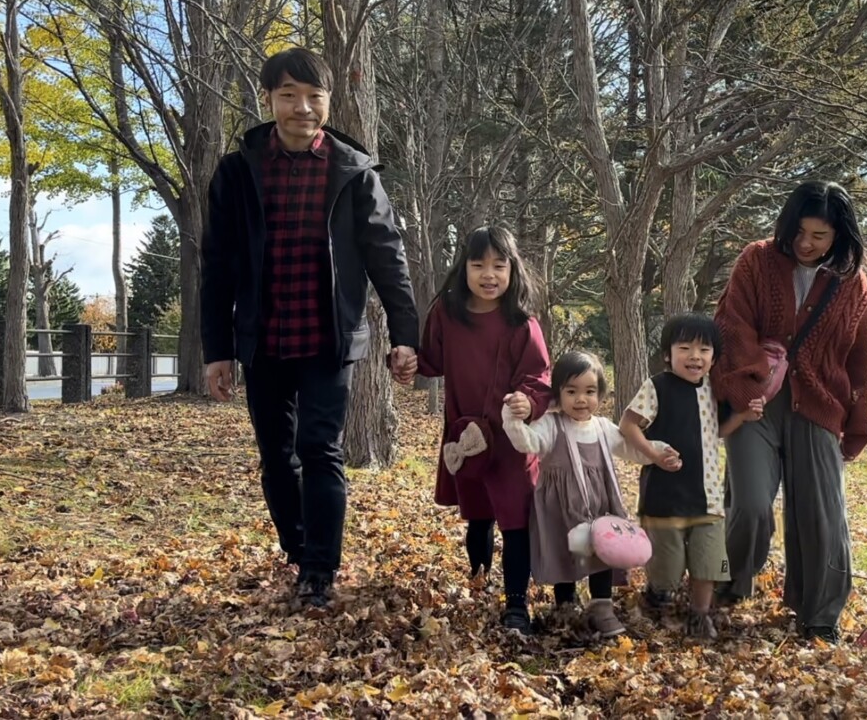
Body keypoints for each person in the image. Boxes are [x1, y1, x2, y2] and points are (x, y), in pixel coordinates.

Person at [201, 47, 420, 609]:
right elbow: (217, 265)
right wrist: (217, 349)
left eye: (313, 96)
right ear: (269, 100)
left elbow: (387, 257)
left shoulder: (354, 173)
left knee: (320, 448)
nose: (302, 107)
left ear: (329, 101)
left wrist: (406, 335)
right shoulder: (238, 172)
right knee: (277, 456)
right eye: (288, 95)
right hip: (264, 338)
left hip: (329, 339)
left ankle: (320, 570)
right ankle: (298, 552)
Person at [711, 180, 867, 643]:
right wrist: (746, 383)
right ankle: (728, 583)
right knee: (750, 506)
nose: (806, 243)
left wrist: (859, 423)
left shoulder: (852, 282)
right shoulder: (757, 259)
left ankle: (820, 614)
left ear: (839, 235)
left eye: (819, 235)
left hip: (819, 405)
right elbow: (731, 324)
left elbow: (861, 357)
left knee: (822, 515)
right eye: (799, 231)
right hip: (757, 403)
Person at [417, 226, 552, 636]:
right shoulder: (447, 314)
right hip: (468, 436)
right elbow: (430, 360)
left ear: (513, 270)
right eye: (478, 265)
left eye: (498, 265)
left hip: (510, 440)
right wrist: (405, 360)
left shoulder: (522, 323)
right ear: (464, 268)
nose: (488, 275)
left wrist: (528, 401)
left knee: (515, 521)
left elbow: (539, 376)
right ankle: (479, 583)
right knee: (478, 517)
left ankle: (517, 605)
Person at [501, 351, 634, 639]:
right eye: (571, 391)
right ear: (558, 393)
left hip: (599, 505)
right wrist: (512, 420)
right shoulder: (551, 424)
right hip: (560, 508)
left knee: (602, 549)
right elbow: (527, 442)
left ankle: (602, 606)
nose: (581, 399)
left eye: (589, 391)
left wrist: (657, 452)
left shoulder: (603, 427)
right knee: (565, 552)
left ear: (600, 393)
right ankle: (565, 603)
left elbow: (630, 448)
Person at [619, 313, 729, 640]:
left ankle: (700, 615)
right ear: (668, 354)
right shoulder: (657, 387)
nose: (695, 356)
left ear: (713, 358)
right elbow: (628, 424)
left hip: (708, 494)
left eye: (704, 350)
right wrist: (653, 454)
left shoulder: (714, 390)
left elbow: (720, 429)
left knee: (708, 560)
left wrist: (747, 415)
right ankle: (658, 595)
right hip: (664, 496)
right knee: (667, 567)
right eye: (685, 348)